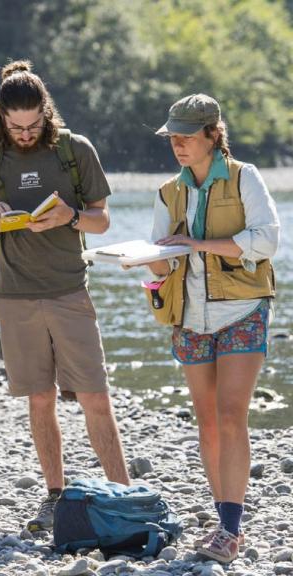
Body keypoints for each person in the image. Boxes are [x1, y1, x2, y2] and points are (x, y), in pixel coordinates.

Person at [0, 60, 130, 533]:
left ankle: (124, 491)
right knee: (39, 398)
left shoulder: (75, 151)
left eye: (33, 124)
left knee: (95, 395)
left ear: (46, 113)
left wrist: (70, 217)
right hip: (14, 296)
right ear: (0, 117)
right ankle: (55, 495)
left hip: (69, 291)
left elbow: (101, 220)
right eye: (15, 126)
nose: (25, 133)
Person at [148, 94, 279, 563]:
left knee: (230, 415)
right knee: (205, 421)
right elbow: (164, 255)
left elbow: (267, 240)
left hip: (243, 309)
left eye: (186, 136)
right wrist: (146, 263)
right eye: (173, 138)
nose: (177, 145)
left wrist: (199, 244)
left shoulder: (247, 177)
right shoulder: (167, 192)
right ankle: (222, 513)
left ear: (212, 134)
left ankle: (230, 527)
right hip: (190, 317)